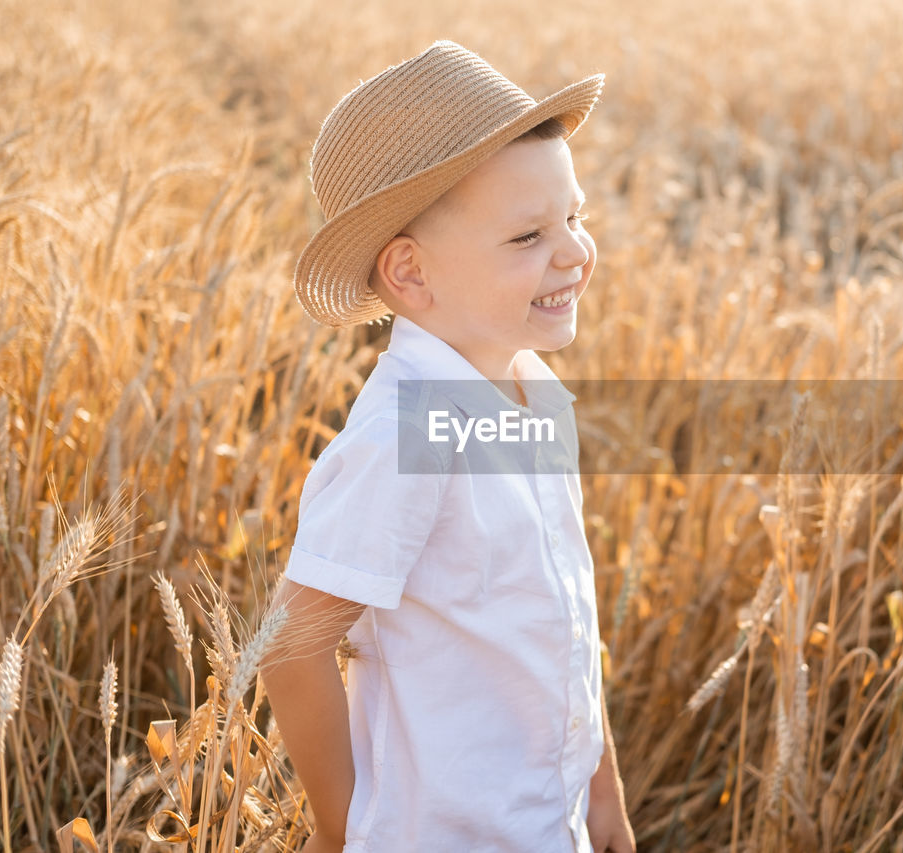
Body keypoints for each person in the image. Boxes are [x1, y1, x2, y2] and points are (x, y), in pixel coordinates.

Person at [261, 41, 635, 853]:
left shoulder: (536, 393)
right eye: (527, 236)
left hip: (547, 823)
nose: (574, 252)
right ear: (412, 274)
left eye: (574, 217)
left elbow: (564, 618)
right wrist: (342, 829)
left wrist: (601, 794)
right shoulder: (406, 432)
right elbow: (291, 645)